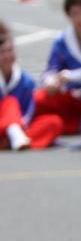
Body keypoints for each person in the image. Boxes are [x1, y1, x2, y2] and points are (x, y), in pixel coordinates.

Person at [34, 0, 81, 135]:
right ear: (68, 15)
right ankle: (76, 122)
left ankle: (78, 122)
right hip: (70, 96)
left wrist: (71, 75)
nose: (80, 18)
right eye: (75, 14)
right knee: (38, 99)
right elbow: (51, 69)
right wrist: (51, 82)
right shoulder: (62, 42)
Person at [0, 22, 63, 150]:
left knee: (54, 122)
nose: (7, 56)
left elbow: (28, 112)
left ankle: (12, 140)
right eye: (2, 52)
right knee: (10, 102)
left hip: (21, 127)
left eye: (10, 51)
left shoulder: (26, 81)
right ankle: (13, 137)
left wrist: (17, 124)